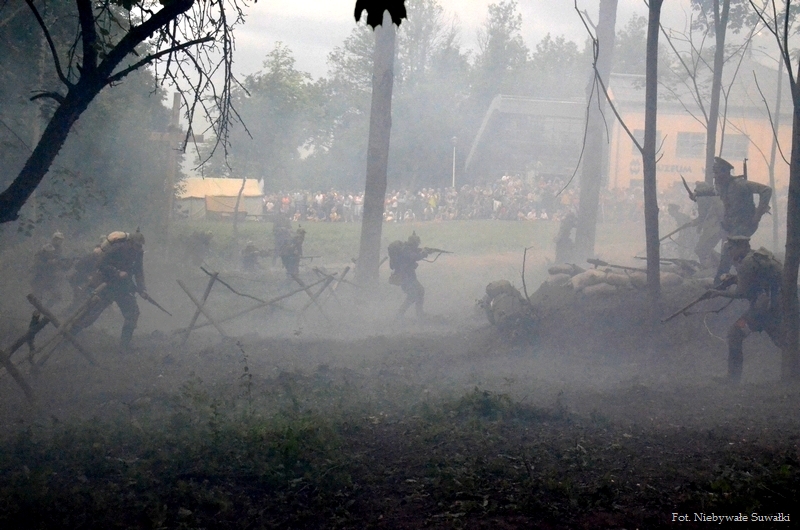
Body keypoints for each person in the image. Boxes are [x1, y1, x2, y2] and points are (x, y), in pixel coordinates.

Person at [709, 236, 783, 383]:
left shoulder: (746, 263)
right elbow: (757, 281)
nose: (729, 252)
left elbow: (742, 293)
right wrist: (735, 279)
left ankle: (733, 378)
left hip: (762, 311)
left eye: (731, 248)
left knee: (735, 333)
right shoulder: (756, 258)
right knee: (783, 341)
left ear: (741, 247)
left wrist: (718, 293)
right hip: (775, 307)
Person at [697, 157, 772, 282]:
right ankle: (747, 279)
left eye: (717, 173)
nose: (715, 176)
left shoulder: (740, 184)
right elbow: (712, 191)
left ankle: (719, 281)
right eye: (714, 173)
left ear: (725, 172)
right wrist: (697, 193)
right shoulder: (723, 186)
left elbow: (766, 190)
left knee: (729, 250)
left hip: (745, 224)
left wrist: (758, 214)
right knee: (738, 254)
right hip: (732, 226)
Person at [71, 230, 147, 351]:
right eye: (137, 245)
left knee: (132, 314)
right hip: (108, 286)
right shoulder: (117, 248)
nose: (139, 248)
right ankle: (69, 335)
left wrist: (142, 289)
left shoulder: (138, 253)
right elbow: (100, 264)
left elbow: (138, 271)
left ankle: (124, 347)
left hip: (124, 289)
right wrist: (117, 272)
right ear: (130, 243)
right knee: (91, 315)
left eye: (140, 246)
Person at [387, 232, 429, 319]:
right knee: (413, 295)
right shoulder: (406, 250)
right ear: (414, 243)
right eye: (416, 244)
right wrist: (423, 254)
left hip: (409, 276)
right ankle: (400, 314)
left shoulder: (406, 249)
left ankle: (419, 313)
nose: (417, 246)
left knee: (420, 291)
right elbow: (414, 257)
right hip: (404, 276)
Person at [692, 182, 725, 270]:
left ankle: (709, 268)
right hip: (712, 230)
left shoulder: (717, 202)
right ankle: (709, 267)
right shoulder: (711, 203)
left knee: (701, 250)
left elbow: (720, 215)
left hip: (714, 230)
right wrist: (696, 223)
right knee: (703, 250)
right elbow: (704, 215)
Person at [30, 231, 68, 305]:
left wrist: (61, 264)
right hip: (40, 276)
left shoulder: (59, 250)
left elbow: (60, 261)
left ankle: (46, 309)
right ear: (54, 239)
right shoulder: (45, 248)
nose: (59, 242)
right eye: (58, 239)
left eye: (61, 240)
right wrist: (48, 263)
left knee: (57, 296)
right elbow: (37, 262)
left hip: (51, 277)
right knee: (37, 297)